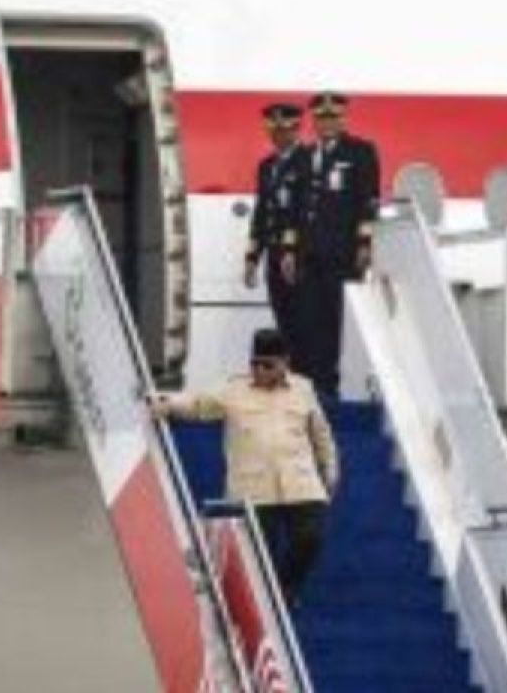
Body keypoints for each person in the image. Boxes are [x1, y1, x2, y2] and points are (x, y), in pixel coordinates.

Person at [150, 328, 339, 605]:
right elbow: (198, 404)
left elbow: (321, 435)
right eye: (255, 364)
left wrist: (329, 472)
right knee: (260, 555)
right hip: (255, 488)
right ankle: (269, 603)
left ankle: (284, 590)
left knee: (310, 538)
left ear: (285, 363)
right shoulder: (234, 390)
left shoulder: (303, 389)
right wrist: (166, 404)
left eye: (268, 365)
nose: (259, 370)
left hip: (301, 484)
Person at [292, 91, 381, 398]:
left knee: (335, 323)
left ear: (343, 119)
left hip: (341, 253)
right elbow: (297, 207)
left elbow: (368, 201)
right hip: (309, 254)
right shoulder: (305, 155)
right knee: (308, 322)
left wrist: (364, 242)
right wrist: (291, 249)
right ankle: (311, 385)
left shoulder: (360, 152)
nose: (327, 123)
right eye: (321, 118)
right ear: (314, 121)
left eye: (333, 118)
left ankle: (330, 389)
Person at [245, 103, 308, 372]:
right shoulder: (267, 166)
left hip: (299, 257)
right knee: (283, 319)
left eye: (284, 130)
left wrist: (291, 249)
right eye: (274, 131)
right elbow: (262, 213)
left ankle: (304, 377)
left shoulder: (308, 161)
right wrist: (252, 257)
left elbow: (304, 212)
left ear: (296, 129)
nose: (278, 136)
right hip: (274, 255)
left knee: (303, 323)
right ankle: (289, 374)